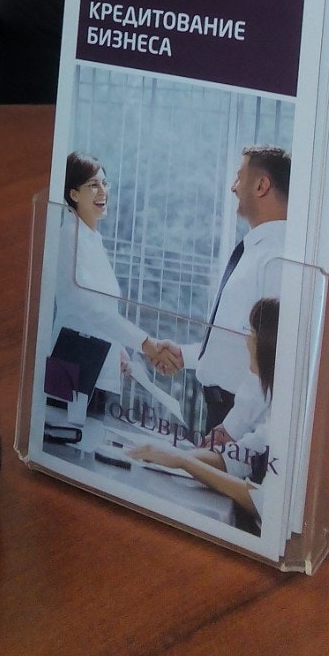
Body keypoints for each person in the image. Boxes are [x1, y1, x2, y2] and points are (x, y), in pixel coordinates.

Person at [129, 297, 280, 533]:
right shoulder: (275, 414)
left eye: (251, 333)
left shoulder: (292, 424)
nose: (246, 339)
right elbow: (236, 459)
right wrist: (169, 455)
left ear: (269, 346)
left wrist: (183, 461)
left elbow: (263, 502)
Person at [173, 145, 290, 435]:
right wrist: (185, 355)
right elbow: (236, 341)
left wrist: (231, 428)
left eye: (239, 177)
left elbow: (269, 359)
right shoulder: (254, 250)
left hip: (237, 421)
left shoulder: (277, 259)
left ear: (261, 186)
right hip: (223, 415)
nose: (233, 187)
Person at [53, 153, 180, 398]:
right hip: (74, 366)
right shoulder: (70, 236)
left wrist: (119, 348)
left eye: (104, 183)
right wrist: (145, 343)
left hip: (95, 366)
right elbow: (87, 307)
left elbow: (102, 312)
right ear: (74, 194)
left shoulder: (91, 238)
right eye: (93, 185)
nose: (103, 192)